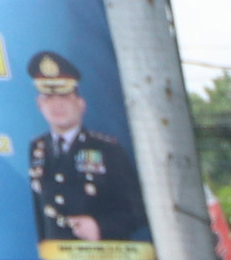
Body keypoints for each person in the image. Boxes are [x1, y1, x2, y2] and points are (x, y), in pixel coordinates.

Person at [26, 53, 148, 245]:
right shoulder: (36, 148)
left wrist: (99, 227)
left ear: (80, 103)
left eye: (65, 96)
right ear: (40, 105)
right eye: (49, 97)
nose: (57, 104)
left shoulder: (107, 149)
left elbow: (139, 211)